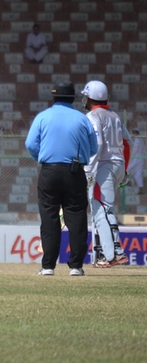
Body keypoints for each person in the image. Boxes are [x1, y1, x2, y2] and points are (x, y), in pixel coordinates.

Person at [25, 81, 97, 277]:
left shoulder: (43, 117)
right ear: (73, 98)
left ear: (53, 98)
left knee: (49, 218)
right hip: (75, 171)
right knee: (76, 217)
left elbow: (30, 144)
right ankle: (76, 266)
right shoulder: (82, 119)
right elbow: (94, 148)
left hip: (49, 171)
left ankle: (48, 266)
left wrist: (42, 157)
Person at [82, 81, 131, 268]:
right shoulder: (115, 116)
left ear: (89, 98)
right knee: (101, 209)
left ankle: (115, 252)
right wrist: (124, 168)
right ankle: (104, 254)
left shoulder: (93, 116)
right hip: (117, 165)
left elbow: (98, 144)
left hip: (104, 166)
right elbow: (127, 142)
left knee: (102, 209)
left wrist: (88, 170)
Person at [127, 126, 144, 192]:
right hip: (140, 159)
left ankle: (128, 182)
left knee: (127, 169)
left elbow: (135, 150)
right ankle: (141, 189)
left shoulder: (137, 140)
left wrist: (130, 157)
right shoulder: (141, 139)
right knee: (138, 174)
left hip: (136, 158)